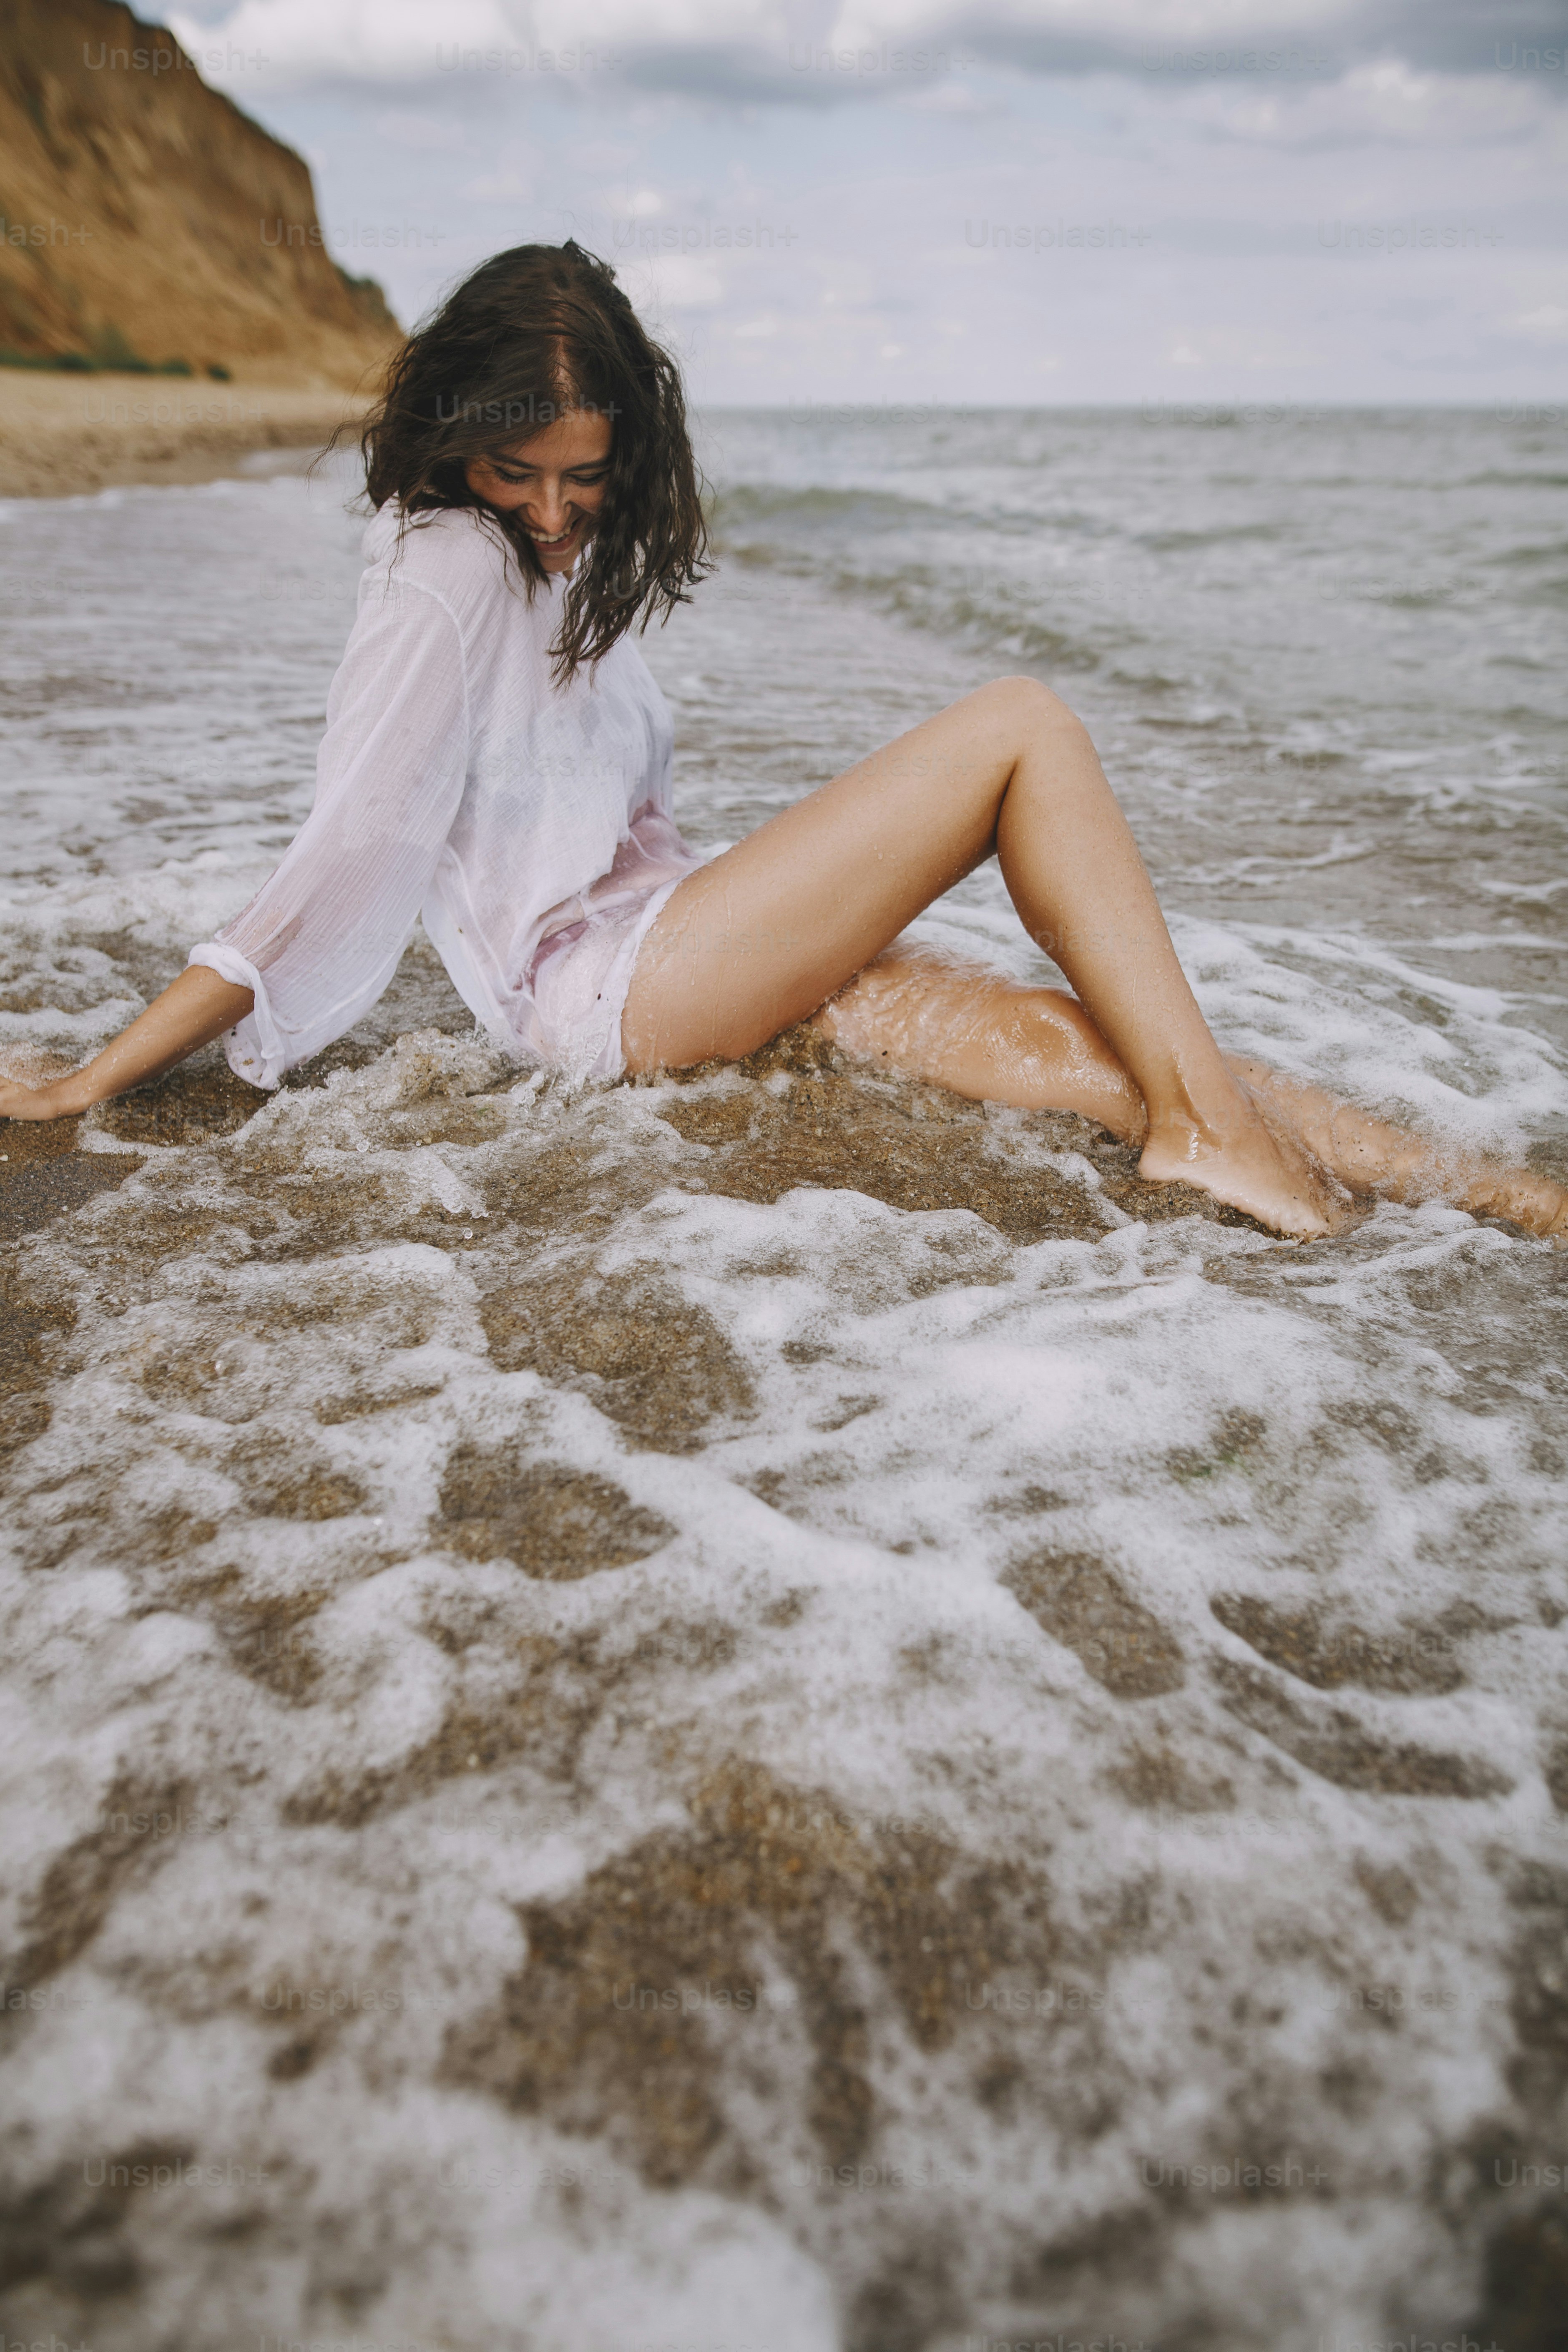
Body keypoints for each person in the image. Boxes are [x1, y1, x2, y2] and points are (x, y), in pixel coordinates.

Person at [1, 242, 1562, 1244]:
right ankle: (1218, 1141)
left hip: (675, 936)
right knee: (1023, 724)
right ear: (451, 437)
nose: (553, 511)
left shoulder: (539, 562)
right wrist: (98, 1077)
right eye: (515, 470)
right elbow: (346, 843)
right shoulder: (444, 569)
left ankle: (1490, 1193)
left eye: (586, 476)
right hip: (605, 990)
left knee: (1080, 1046)